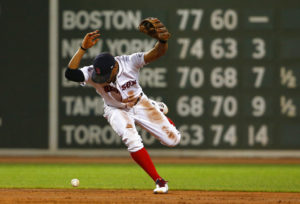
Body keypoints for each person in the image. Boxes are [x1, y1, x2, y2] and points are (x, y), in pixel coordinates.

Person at [65, 29, 181, 194]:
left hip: (139, 103)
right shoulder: (92, 73)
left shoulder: (130, 62)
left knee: (173, 140)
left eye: (105, 75)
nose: (101, 79)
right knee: (131, 139)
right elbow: (70, 74)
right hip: (115, 109)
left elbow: (156, 53)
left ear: (114, 68)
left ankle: (156, 108)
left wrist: (162, 42)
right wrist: (82, 48)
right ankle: (159, 181)